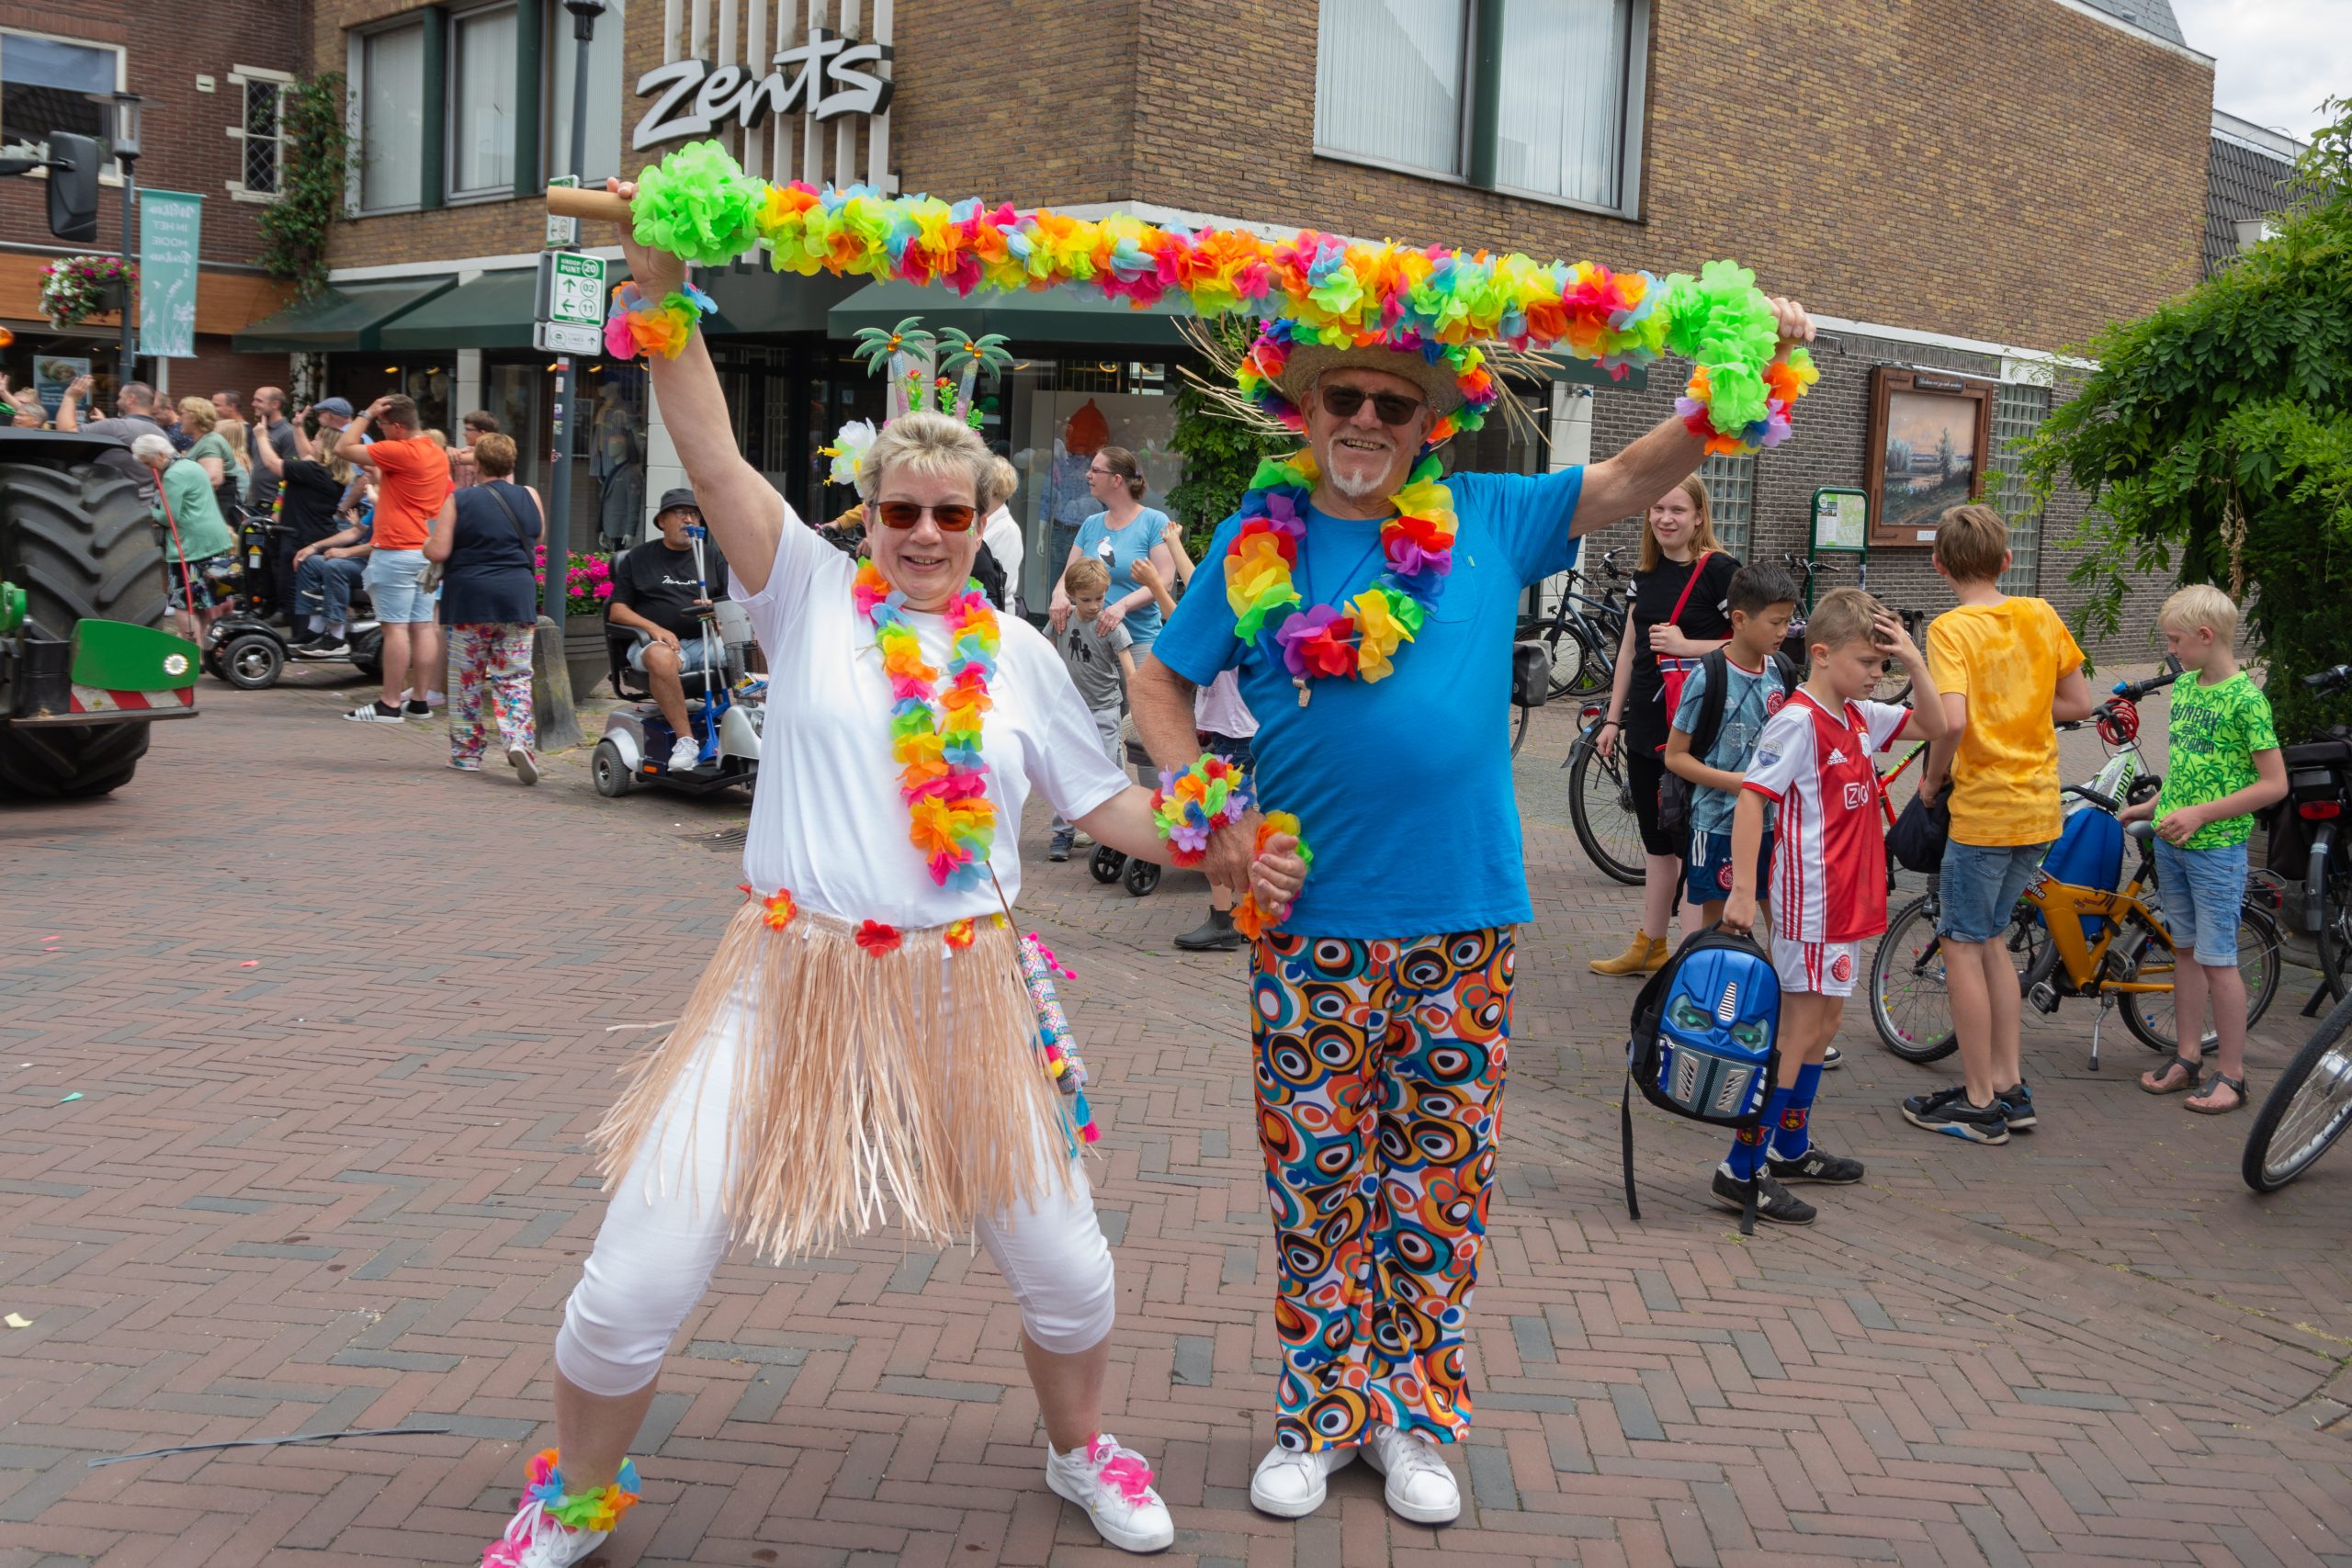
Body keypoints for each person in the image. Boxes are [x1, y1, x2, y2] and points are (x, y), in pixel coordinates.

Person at [468, 181, 1306, 1568]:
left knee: (1069, 1268)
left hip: (965, 989)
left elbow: (1101, 801)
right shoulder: (802, 593)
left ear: (982, 523)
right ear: (864, 514)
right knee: (637, 1275)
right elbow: (708, 445)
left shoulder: (1019, 657)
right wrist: (661, 275)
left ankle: (1079, 1447)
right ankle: (575, 1496)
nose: (922, 532)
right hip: (784, 977)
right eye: (899, 509)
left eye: (948, 513)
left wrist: (1213, 836)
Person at [1133, 288, 1815, 1524]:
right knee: (1317, 1181)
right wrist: (1214, 822)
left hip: (1462, 920)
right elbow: (1160, 685)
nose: (1366, 419)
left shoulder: (1490, 515)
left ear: (1427, 422)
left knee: (1437, 1180)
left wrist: (1739, 369)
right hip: (1311, 923)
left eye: (1394, 403)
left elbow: (1633, 473)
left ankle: (1412, 1417)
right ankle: (1317, 1413)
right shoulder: (1252, 539)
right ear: (1307, 407)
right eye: (1344, 395)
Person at [1716, 589, 1945, 1223]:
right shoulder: (1798, 721)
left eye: (1883, 664)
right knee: (1797, 1030)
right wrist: (1742, 890)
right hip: (1811, 900)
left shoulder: (1859, 714)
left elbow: (1938, 725)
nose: (1877, 674)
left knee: (1825, 1024)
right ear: (1821, 654)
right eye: (1867, 662)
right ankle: (1741, 1166)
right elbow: (1752, 798)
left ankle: (1789, 1146)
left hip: (1848, 899)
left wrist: (1915, 660)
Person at [1905, 504, 2095, 1144]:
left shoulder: (1951, 629)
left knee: (1961, 943)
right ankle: (2010, 1087)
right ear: (2007, 560)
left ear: (1939, 565)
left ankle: (1979, 1100)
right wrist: (2020, 709)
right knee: (1991, 942)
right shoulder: (2040, 613)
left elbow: (1952, 720)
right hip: (2039, 807)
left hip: (1985, 811)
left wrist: (1931, 780)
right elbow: (2078, 702)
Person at [2126, 585, 2286, 1113]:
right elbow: (2189, 766)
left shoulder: (2246, 700)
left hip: (2216, 850)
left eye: (2176, 641)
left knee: (2219, 961)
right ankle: (2187, 1058)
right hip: (2174, 843)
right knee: (2186, 950)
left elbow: (2274, 785)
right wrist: (2156, 806)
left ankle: (2233, 1076)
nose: (2171, 650)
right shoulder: (2186, 687)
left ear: (2205, 635)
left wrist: (2201, 814)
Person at [1591, 477, 1739, 976]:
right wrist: (1613, 718)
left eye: (1677, 509)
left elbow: (1761, 645)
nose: (1665, 518)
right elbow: (1629, 651)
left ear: (1699, 516)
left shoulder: (1719, 571)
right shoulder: (1645, 574)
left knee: (1694, 844)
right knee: (1656, 841)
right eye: (1657, 508)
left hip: (1699, 731)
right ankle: (1650, 945)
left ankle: (1692, 960)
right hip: (1647, 724)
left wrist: (1687, 646)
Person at [1662, 562, 1802, 931]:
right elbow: (1675, 756)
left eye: (1788, 621)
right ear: (1739, 619)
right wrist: (1738, 783)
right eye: (1775, 622)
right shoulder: (1707, 676)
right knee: (1722, 930)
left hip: (1775, 825)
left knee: (1784, 930)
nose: (1784, 632)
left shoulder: (1783, 671)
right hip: (1717, 825)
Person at [425, 432, 542, 784]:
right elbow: (537, 536)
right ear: (511, 462)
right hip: (516, 597)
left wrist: (427, 545)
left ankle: (466, 754)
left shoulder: (460, 499)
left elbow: (439, 551)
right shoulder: (530, 495)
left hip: (469, 599)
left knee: (467, 678)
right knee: (515, 677)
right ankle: (518, 740)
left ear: (476, 464)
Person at [336, 394, 451, 723]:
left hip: (396, 549)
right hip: (424, 549)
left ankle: (388, 704)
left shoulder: (400, 450)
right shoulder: (435, 452)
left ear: (398, 426)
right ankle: (419, 701)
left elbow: (343, 447)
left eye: (383, 425)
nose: (381, 431)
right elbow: (403, 486)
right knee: (423, 627)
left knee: (395, 628)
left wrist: (365, 413)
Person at [607, 489, 731, 771]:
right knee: (660, 657)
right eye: (681, 513)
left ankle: (759, 721)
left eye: (694, 514)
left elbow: (729, 601)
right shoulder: (638, 558)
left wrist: (716, 609)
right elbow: (617, 610)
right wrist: (653, 629)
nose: (689, 519)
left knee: (755, 646)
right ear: (662, 521)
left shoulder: (710, 557)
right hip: (658, 647)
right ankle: (685, 741)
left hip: (705, 641)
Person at [1048, 557, 1136, 862]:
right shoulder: (1062, 619)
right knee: (1065, 767)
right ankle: (1063, 832)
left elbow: (1129, 668)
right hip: (1070, 709)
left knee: (1104, 767)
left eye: (1099, 598)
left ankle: (1109, 831)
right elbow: (1046, 652)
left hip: (1104, 708)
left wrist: (1137, 703)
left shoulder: (1110, 625)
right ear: (1071, 594)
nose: (1094, 606)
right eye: (1086, 599)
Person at [1049, 446, 1174, 658]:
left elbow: (1165, 581)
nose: (1088, 475)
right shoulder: (1091, 523)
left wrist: (1122, 606)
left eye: (1096, 470)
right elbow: (1068, 574)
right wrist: (1059, 595)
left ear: (1116, 480)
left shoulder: (1154, 521)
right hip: (1091, 643)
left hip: (1138, 641)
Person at [133, 432, 236, 641]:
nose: (149, 469)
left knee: (184, 603)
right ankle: (205, 647)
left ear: (160, 454)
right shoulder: (192, 465)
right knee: (208, 601)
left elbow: (169, 517)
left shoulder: (173, 475)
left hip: (189, 546)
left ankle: (191, 649)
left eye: (148, 463)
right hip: (214, 541)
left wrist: (146, 511)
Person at [289, 509, 373, 657]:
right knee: (308, 562)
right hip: (363, 559)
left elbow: (386, 543)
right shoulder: (378, 506)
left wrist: (347, 552)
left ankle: (336, 638)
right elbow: (355, 532)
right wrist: (314, 546)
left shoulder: (393, 506)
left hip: (378, 565)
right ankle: (315, 630)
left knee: (335, 566)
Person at [83, 380, 167, 497]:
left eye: (120, 397)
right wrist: (104, 423)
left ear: (131, 399)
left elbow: (69, 430)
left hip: (112, 501)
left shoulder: (114, 426)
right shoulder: (163, 435)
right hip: (147, 502)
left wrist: (70, 397)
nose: (117, 402)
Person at [175, 397, 247, 529]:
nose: (179, 418)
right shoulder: (205, 441)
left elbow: (214, 480)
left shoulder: (210, 442)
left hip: (216, 513)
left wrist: (182, 497)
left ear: (194, 417)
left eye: (182, 414)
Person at [246, 387, 304, 522]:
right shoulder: (259, 430)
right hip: (255, 505)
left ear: (275, 404)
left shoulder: (288, 433)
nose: (253, 404)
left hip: (273, 508)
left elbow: (292, 476)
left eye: (259, 401)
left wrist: (279, 510)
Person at [982, 454, 1026, 614]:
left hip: (994, 612)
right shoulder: (984, 520)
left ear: (991, 486)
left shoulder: (1008, 530)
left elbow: (1000, 583)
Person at [449, 409, 498, 491]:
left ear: (482, 433)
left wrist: (447, 453)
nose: (464, 433)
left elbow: (480, 457)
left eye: (468, 429)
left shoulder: (500, 455)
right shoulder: (463, 451)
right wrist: (448, 450)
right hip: (459, 497)